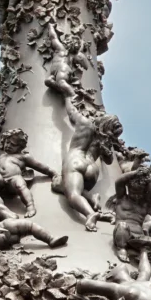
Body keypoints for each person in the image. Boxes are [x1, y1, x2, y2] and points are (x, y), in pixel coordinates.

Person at [53, 98, 121, 230]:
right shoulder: (106, 141)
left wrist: (66, 96)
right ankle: (91, 197)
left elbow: (72, 112)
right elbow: (108, 161)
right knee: (58, 184)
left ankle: (90, 214)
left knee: (73, 194)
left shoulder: (86, 124)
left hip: (76, 159)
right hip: (92, 169)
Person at [112, 165, 151, 271]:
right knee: (122, 227)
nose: (136, 196)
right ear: (128, 190)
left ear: (144, 192)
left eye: (139, 194)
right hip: (124, 233)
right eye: (133, 193)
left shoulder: (145, 204)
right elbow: (118, 182)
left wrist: (148, 177)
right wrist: (135, 173)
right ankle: (121, 248)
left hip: (139, 237)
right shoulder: (122, 198)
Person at [0, 128, 57, 217]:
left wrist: (52, 173)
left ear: (20, 146)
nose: (8, 145)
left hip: (12, 179)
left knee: (20, 184)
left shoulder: (22, 157)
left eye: (13, 144)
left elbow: (39, 166)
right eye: (7, 142)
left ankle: (30, 206)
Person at [44, 23, 92, 98]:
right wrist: (51, 27)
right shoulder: (60, 48)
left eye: (75, 43)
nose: (71, 43)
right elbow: (53, 37)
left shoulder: (72, 55)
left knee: (61, 81)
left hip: (64, 69)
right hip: (55, 71)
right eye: (71, 41)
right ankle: (66, 91)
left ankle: (73, 95)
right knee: (48, 81)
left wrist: (82, 40)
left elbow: (85, 64)